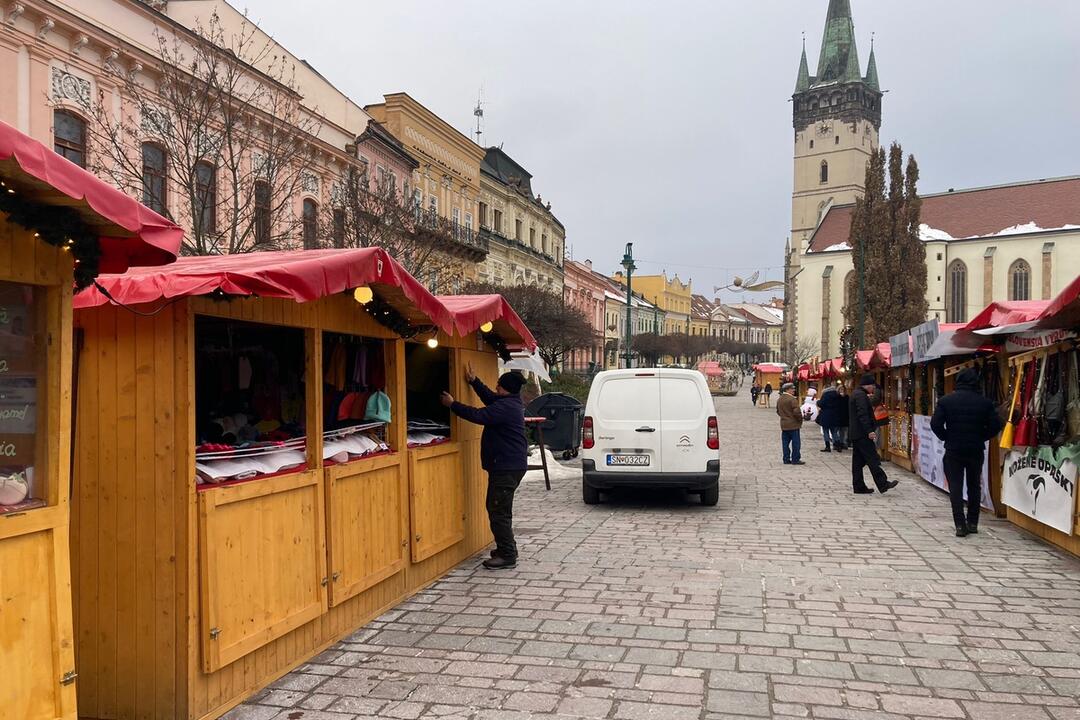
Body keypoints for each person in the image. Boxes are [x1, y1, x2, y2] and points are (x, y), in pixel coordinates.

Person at [440, 365, 528, 569]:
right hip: (508, 466)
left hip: (506, 467)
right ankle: (507, 548)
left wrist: (452, 404)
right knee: (500, 509)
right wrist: (474, 381)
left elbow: (478, 415)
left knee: (498, 511)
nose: (496, 387)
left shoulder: (506, 407)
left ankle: (507, 555)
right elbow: (490, 398)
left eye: (499, 385)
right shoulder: (509, 402)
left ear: (506, 389)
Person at [931, 367, 1004, 537]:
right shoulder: (985, 403)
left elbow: (935, 424)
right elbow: (996, 425)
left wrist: (947, 437)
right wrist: (982, 436)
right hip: (975, 448)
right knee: (974, 485)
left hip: (954, 448)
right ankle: (972, 522)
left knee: (955, 486)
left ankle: (959, 524)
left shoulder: (946, 401)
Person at [849, 374, 898, 494]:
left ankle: (859, 486)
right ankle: (883, 483)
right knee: (872, 458)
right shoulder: (861, 396)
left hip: (856, 433)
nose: (873, 389)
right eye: (873, 386)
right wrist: (869, 431)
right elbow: (863, 415)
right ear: (868, 385)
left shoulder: (856, 393)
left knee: (858, 461)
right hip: (862, 433)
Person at [776, 382, 804, 465]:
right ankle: (795, 459)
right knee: (796, 443)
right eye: (792, 389)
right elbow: (797, 412)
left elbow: (778, 411)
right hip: (793, 425)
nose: (794, 390)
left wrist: (784, 417)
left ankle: (786, 458)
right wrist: (800, 419)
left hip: (784, 424)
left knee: (785, 443)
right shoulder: (792, 399)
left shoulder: (780, 399)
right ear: (787, 390)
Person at [815, 383, 844, 452]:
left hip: (826, 415)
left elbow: (821, 404)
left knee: (826, 431)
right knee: (834, 432)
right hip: (835, 415)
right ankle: (838, 446)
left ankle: (827, 447)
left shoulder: (825, 395)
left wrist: (818, 401)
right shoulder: (837, 395)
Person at [835, 381, 850, 450]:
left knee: (843, 431)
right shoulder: (836, 397)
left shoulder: (847, 397)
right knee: (836, 431)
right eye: (840, 389)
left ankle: (843, 443)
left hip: (845, 416)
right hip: (837, 416)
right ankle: (837, 443)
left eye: (843, 389)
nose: (842, 391)